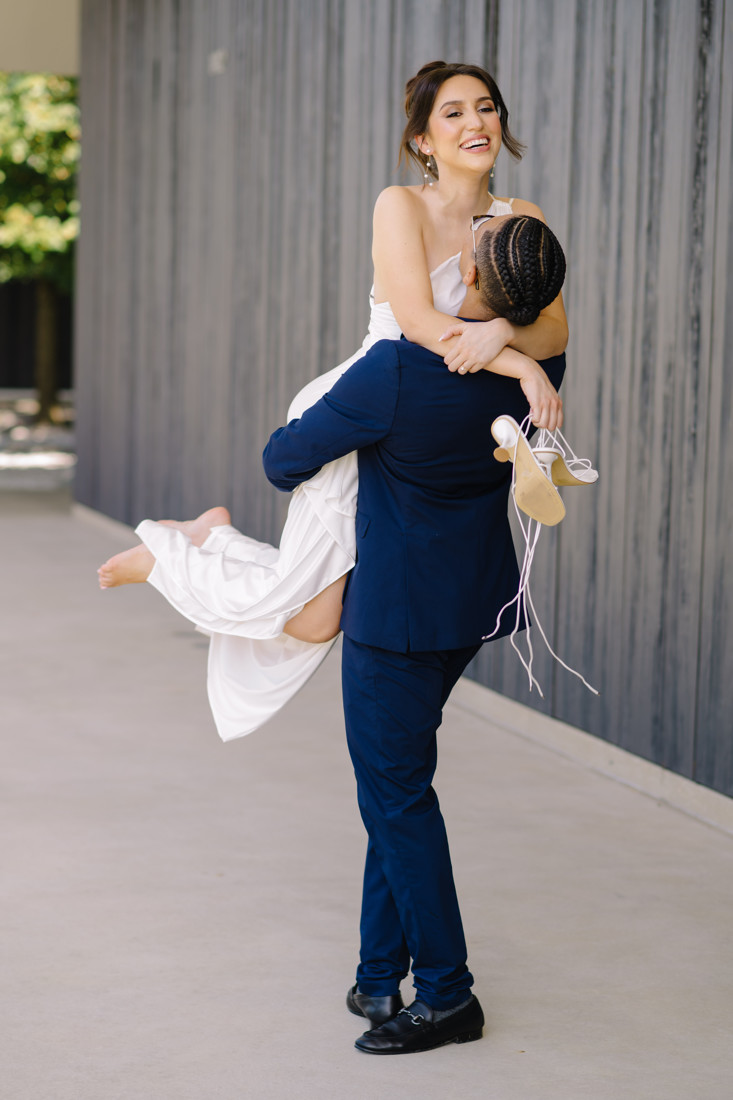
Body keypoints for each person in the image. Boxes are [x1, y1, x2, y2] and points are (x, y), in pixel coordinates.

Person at [97, 61, 569, 740]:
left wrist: (501, 330)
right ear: (423, 140)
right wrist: (522, 367)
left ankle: (209, 538)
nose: (475, 123)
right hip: (363, 407)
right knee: (314, 615)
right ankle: (171, 556)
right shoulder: (400, 204)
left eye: (486, 107)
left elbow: (553, 324)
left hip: (410, 412)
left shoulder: (521, 218)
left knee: (316, 618)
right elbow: (417, 323)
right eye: (453, 113)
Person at [261, 224, 566, 1054]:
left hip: (393, 620)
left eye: (473, 236)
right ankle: (374, 972)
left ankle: (446, 995)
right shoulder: (538, 372)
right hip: (470, 606)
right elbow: (526, 337)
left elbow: (282, 460)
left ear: (464, 270)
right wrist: (513, 340)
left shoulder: (395, 367)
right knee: (394, 789)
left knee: (397, 798)